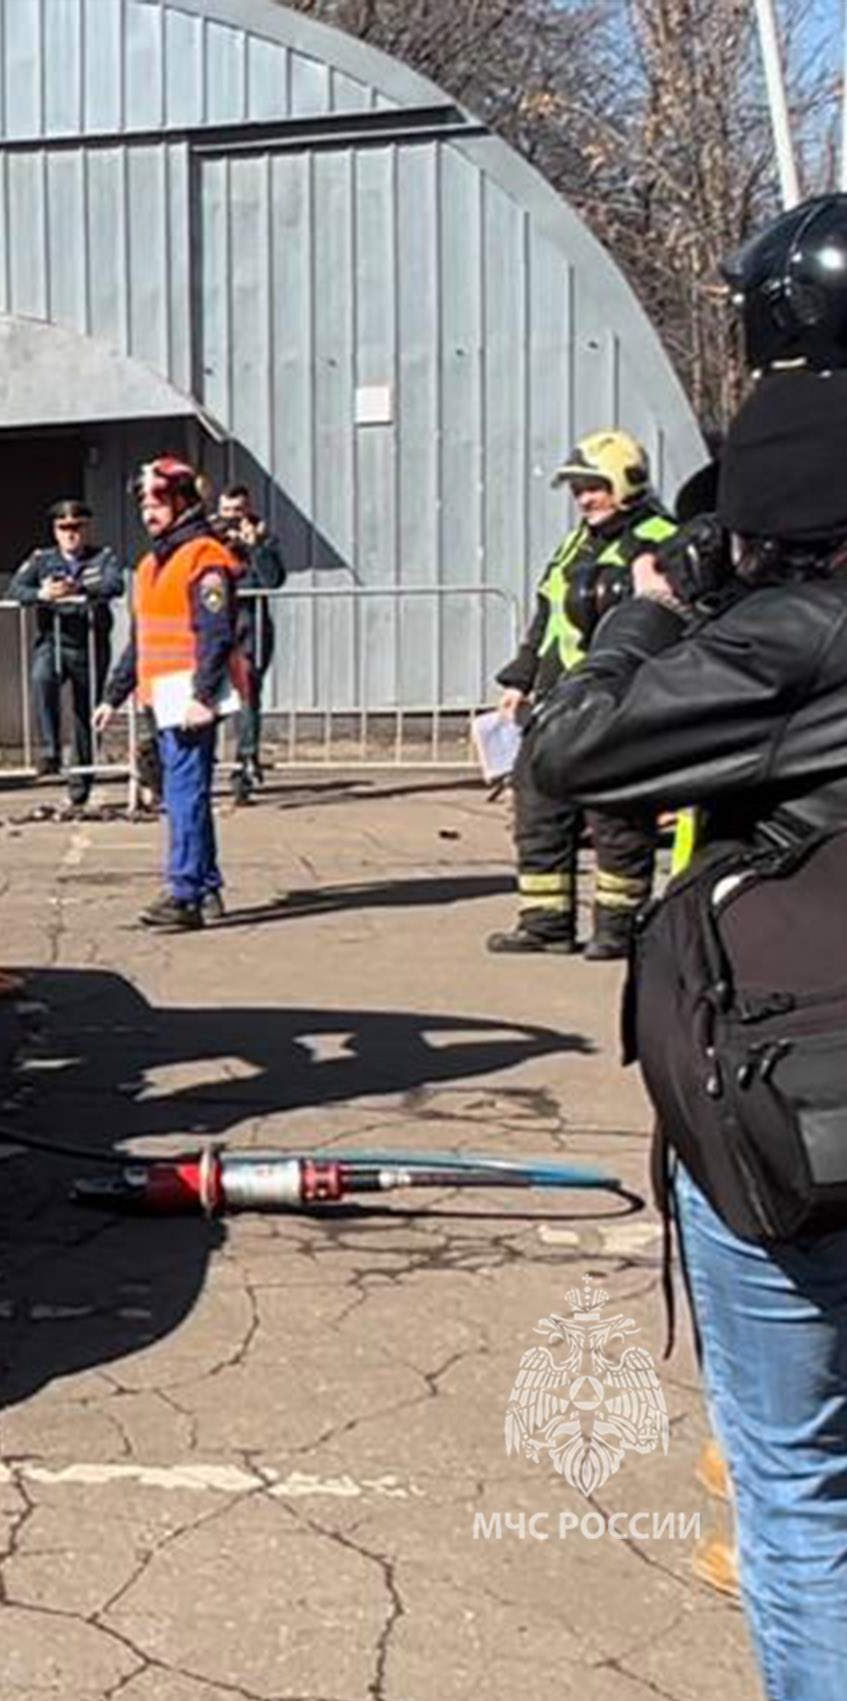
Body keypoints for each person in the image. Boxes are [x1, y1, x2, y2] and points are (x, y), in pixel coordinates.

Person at [521, 190, 847, 1701]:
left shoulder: (794, 634)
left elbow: (575, 750)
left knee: (796, 1491)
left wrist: (653, 619)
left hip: (802, 1127)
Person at [486, 429, 679, 960]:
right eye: (577, 490)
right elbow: (547, 616)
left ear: (626, 482)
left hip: (622, 700)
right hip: (558, 699)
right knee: (540, 808)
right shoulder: (578, 543)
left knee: (617, 816)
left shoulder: (661, 541)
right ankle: (546, 923)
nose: (584, 499)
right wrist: (520, 678)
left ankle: (619, 927)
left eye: (594, 486)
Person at [95, 458, 247, 931]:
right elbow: (142, 637)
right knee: (182, 790)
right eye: (143, 502)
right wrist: (112, 695)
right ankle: (207, 886)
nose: (148, 512)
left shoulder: (204, 557)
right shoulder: (150, 563)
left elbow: (215, 631)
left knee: (184, 793)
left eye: (157, 501)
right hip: (161, 696)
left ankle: (184, 894)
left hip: (187, 698)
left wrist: (202, 695)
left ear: (183, 502)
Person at [8, 499, 121, 806]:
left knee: (87, 715)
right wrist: (41, 594)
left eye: (77, 527)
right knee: (41, 678)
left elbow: (115, 584)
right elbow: (14, 590)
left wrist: (80, 590)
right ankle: (50, 750)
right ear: (55, 531)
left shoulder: (103, 557)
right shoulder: (42, 559)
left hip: (90, 644)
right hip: (54, 640)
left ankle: (80, 783)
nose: (71, 534)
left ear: (87, 527)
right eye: (64, 528)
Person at [213, 485, 288, 803]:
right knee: (208, 694)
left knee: (248, 697)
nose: (231, 520)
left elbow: (273, 580)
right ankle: (201, 761)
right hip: (216, 627)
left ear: (248, 510)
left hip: (251, 626)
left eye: (238, 512)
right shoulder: (208, 537)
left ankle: (244, 766)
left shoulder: (263, 537)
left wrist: (255, 547)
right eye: (226, 512)